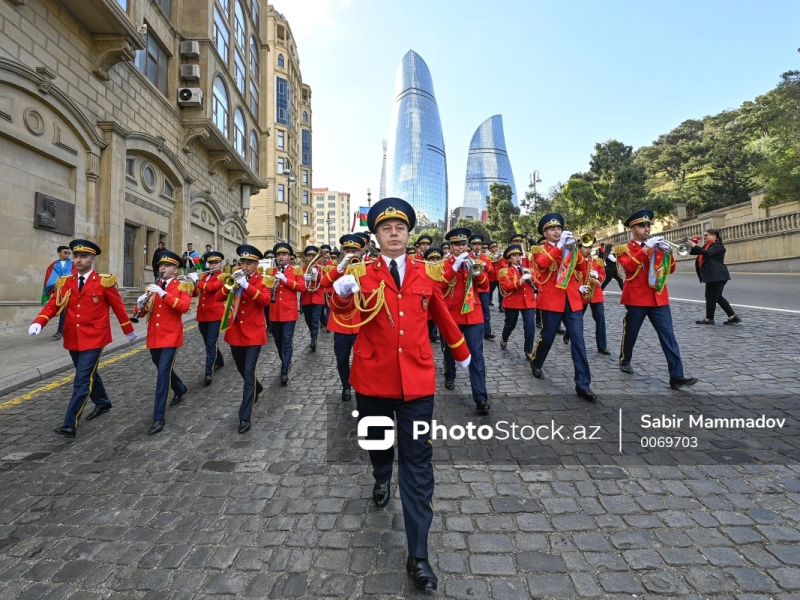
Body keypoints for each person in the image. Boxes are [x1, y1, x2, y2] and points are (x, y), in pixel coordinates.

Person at [330, 197, 470, 592]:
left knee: (418, 463)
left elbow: (440, 311)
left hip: (417, 382)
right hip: (373, 378)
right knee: (379, 446)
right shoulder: (361, 272)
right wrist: (341, 295)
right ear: (376, 236)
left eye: (400, 228)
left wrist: (461, 352)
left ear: (409, 235)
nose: (394, 233)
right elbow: (344, 319)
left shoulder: (426, 272)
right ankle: (378, 475)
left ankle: (419, 555)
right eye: (386, 229)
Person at [29, 239, 137, 438]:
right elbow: (53, 305)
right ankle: (103, 402)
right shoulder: (66, 281)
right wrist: (39, 321)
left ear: (92, 259)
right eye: (76, 256)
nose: (78, 260)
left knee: (81, 380)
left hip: (95, 337)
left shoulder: (104, 281)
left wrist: (128, 330)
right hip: (73, 337)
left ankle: (70, 424)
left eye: (83, 256)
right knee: (87, 374)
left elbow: (118, 307)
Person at [615, 209, 698, 389]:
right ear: (633, 229)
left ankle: (676, 376)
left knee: (668, 336)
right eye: (642, 226)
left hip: (658, 298)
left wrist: (668, 253)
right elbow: (628, 267)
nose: (646, 229)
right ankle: (625, 359)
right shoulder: (624, 249)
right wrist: (646, 248)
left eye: (648, 225)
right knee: (631, 332)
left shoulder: (657, 245)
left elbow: (671, 270)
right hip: (637, 298)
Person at [529, 213, 596, 402]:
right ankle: (537, 361)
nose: (557, 232)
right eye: (552, 229)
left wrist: (575, 249)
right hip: (551, 301)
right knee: (548, 337)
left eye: (559, 228)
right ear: (545, 233)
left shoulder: (570, 248)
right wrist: (559, 248)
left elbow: (582, 268)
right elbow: (542, 265)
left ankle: (583, 385)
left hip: (572, 299)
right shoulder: (538, 249)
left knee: (578, 342)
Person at [136, 250, 194, 434]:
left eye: (167, 266)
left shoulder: (182, 286)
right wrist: (139, 305)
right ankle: (180, 388)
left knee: (162, 375)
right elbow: (145, 312)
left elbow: (184, 307)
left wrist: (163, 294)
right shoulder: (154, 286)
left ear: (175, 269)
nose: (162, 268)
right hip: (154, 335)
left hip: (170, 336)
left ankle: (158, 417)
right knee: (162, 368)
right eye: (161, 265)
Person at [216, 245, 271, 433]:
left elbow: (264, 300)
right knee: (241, 368)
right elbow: (218, 297)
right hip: (235, 332)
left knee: (248, 372)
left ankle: (244, 416)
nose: (245, 266)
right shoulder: (235, 278)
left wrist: (247, 286)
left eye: (249, 263)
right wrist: (231, 283)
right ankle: (257, 386)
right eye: (243, 262)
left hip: (254, 334)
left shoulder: (264, 280)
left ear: (256, 264)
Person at [438, 227, 491, 414]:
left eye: (463, 244)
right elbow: (439, 287)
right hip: (451, 315)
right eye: (456, 245)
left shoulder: (474, 262)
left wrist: (477, 272)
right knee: (450, 351)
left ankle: (481, 398)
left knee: (476, 356)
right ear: (450, 247)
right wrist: (454, 267)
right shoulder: (443, 264)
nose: (461, 248)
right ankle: (450, 375)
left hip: (473, 315)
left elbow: (485, 287)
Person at [320, 234, 365, 401]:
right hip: (341, 322)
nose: (351, 253)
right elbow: (324, 283)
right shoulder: (338, 269)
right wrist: (340, 268)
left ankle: (361, 386)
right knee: (341, 358)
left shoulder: (367, 267)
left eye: (354, 251)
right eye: (347, 250)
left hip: (362, 321)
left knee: (363, 358)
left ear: (360, 252)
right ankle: (346, 385)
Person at [268, 243, 306, 385]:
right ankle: (285, 360)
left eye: (284, 255)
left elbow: (302, 287)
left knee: (287, 339)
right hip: (275, 311)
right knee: (278, 340)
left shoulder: (296, 271)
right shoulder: (271, 271)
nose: (281, 257)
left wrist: (285, 280)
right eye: (279, 255)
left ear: (289, 257)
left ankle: (284, 370)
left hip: (289, 311)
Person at [688, 229, 741, 325]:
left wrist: (695, 246)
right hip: (713, 276)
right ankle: (732, 316)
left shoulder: (718, 245)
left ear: (714, 236)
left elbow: (707, 253)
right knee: (717, 297)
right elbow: (694, 253)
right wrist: (693, 244)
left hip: (717, 275)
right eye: (704, 235)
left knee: (710, 297)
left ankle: (709, 319)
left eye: (706, 235)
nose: (704, 237)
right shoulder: (707, 245)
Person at [498, 244, 536, 358]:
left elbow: (538, 283)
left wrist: (531, 277)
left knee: (530, 325)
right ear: (509, 259)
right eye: (514, 256)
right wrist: (519, 281)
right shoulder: (504, 271)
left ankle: (528, 350)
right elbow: (505, 287)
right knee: (510, 324)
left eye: (519, 255)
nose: (518, 258)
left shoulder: (528, 269)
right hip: (512, 301)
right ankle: (504, 338)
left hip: (528, 301)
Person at [194, 251, 225, 385]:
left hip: (215, 314)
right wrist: (190, 283)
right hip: (202, 314)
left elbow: (212, 288)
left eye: (215, 263)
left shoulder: (222, 276)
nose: (213, 266)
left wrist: (197, 281)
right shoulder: (204, 276)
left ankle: (208, 372)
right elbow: (195, 292)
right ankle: (219, 360)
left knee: (211, 342)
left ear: (220, 264)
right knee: (208, 341)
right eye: (211, 263)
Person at [579, 241, 610, 355]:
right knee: (577, 319)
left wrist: (598, 276)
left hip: (595, 293)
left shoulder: (597, 261)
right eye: (586, 247)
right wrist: (578, 286)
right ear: (580, 248)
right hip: (581, 293)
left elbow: (603, 275)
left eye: (590, 247)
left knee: (600, 319)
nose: (588, 250)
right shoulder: (576, 261)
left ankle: (602, 346)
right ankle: (571, 335)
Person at [42, 245, 75, 339]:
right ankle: (61, 331)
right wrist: (56, 285)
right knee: (63, 311)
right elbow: (50, 278)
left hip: (72, 291)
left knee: (68, 311)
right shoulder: (53, 265)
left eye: (68, 253)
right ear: (59, 253)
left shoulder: (73, 264)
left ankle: (62, 331)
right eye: (65, 252)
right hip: (60, 291)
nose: (67, 254)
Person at [469, 234, 496, 340]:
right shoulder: (467, 256)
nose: (477, 246)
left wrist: (484, 264)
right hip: (472, 287)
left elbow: (492, 271)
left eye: (479, 244)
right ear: (471, 245)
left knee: (485, 309)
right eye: (475, 244)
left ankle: (487, 331)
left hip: (484, 287)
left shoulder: (486, 257)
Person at [300, 245, 325, 351]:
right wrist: (304, 277)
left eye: (313, 255)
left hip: (317, 297)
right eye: (309, 255)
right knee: (308, 319)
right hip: (306, 298)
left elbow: (325, 282)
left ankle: (313, 339)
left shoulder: (321, 269)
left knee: (315, 320)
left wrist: (317, 275)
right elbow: (299, 283)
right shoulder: (302, 269)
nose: (311, 257)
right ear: (305, 257)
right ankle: (312, 334)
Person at [423, 247, 443, 343]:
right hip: (425, 309)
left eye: (437, 259)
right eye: (432, 259)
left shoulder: (444, 271)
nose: (435, 262)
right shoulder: (423, 272)